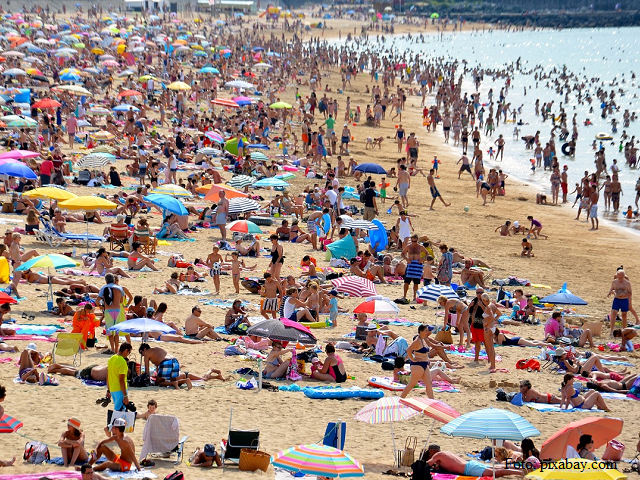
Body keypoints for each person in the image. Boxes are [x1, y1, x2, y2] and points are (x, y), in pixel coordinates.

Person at [428, 451, 522, 478]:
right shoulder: (445, 453)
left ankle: (521, 473)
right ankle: (519, 467)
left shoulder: (437, 456)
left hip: (469, 469)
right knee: (496, 467)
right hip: (470, 463)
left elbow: (426, 464)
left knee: (497, 472)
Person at [400, 324, 434, 399]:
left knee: (429, 383)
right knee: (412, 383)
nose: (427, 332)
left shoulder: (423, 339)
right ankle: (401, 399)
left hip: (425, 363)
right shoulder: (417, 341)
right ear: (421, 331)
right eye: (426, 331)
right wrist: (413, 359)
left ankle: (432, 401)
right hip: (417, 365)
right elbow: (409, 350)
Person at [99, 274, 127, 353]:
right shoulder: (119, 288)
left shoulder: (104, 288)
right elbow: (121, 301)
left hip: (109, 311)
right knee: (116, 331)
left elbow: (97, 301)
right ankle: (116, 349)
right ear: (114, 280)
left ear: (106, 280)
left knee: (110, 332)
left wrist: (102, 306)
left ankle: (112, 349)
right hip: (117, 310)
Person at [106, 342, 132, 411]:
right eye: (129, 352)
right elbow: (121, 380)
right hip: (120, 391)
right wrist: (125, 396)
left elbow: (108, 375)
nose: (128, 355)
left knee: (118, 411)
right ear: (126, 350)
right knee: (119, 413)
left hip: (113, 390)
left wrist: (108, 390)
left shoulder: (112, 358)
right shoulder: (122, 361)